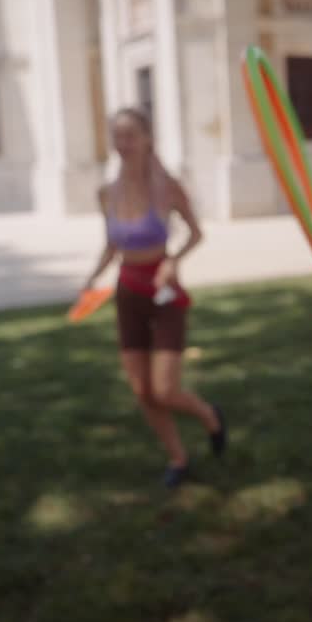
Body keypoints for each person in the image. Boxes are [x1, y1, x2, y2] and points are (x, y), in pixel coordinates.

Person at [83, 108, 225, 489]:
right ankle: (178, 458)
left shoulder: (167, 187)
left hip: (163, 292)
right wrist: (92, 278)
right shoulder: (106, 193)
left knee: (165, 389)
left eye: (130, 135)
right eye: (117, 135)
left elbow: (196, 233)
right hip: (127, 292)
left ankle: (210, 415)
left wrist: (173, 261)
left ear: (147, 139)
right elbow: (111, 245)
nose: (123, 143)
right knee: (142, 391)